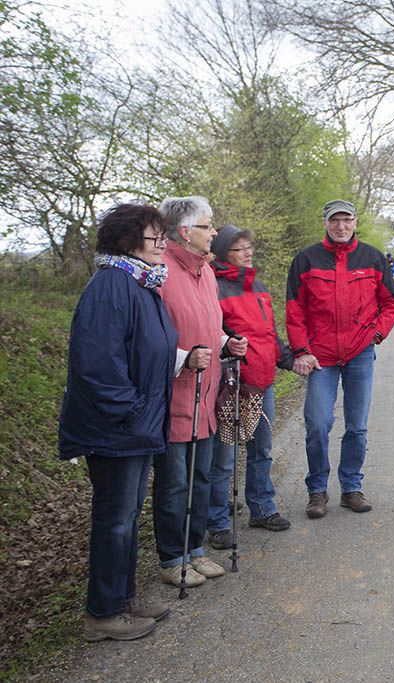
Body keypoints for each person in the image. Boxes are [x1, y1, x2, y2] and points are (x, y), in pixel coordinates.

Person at [59, 203, 177, 641]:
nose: (164, 243)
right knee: (114, 518)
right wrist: (131, 410)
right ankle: (104, 612)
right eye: (155, 237)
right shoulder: (112, 285)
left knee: (126, 517)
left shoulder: (140, 284)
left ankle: (122, 600)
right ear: (129, 241)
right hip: (117, 430)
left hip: (136, 424)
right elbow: (96, 364)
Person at [286, 200, 394, 519]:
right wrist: (300, 350)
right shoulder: (306, 259)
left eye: (346, 220)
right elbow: (295, 310)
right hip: (320, 356)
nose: (341, 226)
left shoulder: (372, 258)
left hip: (359, 353)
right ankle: (317, 489)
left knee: (357, 426)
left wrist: (376, 334)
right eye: (334, 220)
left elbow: (393, 301)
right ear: (325, 223)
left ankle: (351, 486)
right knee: (318, 423)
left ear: (355, 223)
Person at [154, 196, 248, 588]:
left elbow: (208, 325)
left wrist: (226, 342)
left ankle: (194, 552)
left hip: (206, 395)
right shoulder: (158, 271)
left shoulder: (205, 273)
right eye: (208, 226)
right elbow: (148, 336)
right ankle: (172, 558)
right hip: (174, 396)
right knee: (175, 482)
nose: (214, 232)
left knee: (202, 477)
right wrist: (182, 359)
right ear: (185, 231)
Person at [206, 225, 294, 550]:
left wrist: (291, 360)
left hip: (262, 382)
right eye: (239, 248)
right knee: (224, 455)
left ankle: (261, 507)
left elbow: (269, 335)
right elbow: (213, 333)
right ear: (223, 253)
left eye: (249, 247)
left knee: (261, 450)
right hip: (230, 382)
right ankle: (216, 520)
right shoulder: (212, 286)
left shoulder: (257, 285)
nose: (248, 252)